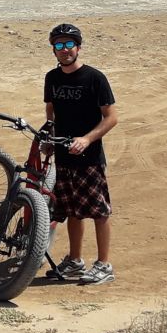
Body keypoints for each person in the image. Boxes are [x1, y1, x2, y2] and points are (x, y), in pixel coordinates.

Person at [44, 23, 118, 285]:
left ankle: (104, 264)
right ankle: (75, 261)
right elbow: (51, 111)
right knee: (73, 211)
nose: (64, 50)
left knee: (99, 211)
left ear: (78, 47)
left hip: (89, 158)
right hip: (64, 156)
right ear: (53, 50)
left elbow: (111, 118)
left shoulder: (95, 78)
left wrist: (87, 139)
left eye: (68, 45)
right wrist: (48, 136)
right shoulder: (51, 78)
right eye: (59, 46)